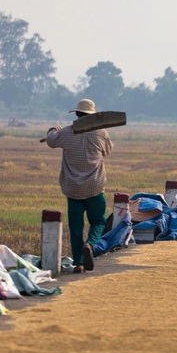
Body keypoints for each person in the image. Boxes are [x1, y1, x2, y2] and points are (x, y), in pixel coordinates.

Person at [45, 98, 112, 273]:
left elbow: (51, 141)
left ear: (76, 114)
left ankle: (79, 263)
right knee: (98, 221)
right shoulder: (101, 133)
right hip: (95, 187)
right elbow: (107, 150)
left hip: (73, 188)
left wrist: (55, 129)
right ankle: (90, 244)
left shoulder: (67, 133)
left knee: (76, 227)